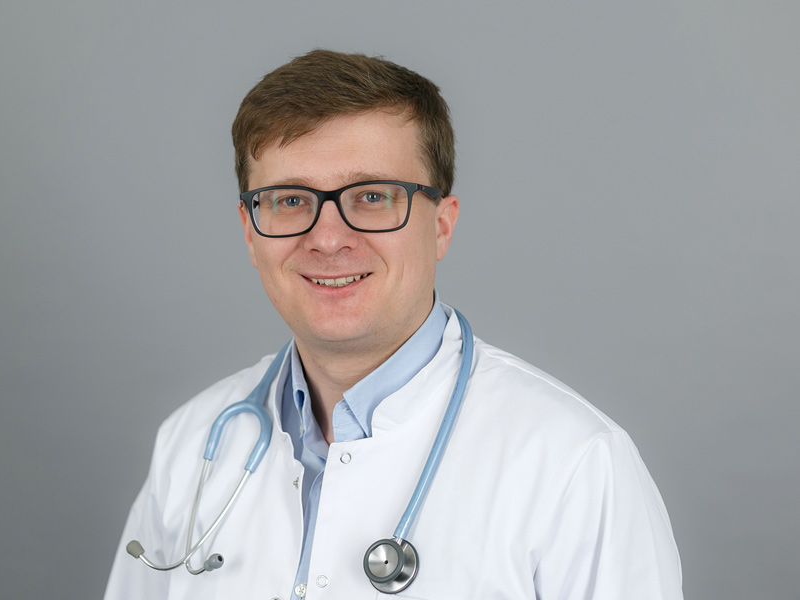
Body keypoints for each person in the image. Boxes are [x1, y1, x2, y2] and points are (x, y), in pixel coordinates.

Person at [104, 49, 683, 600]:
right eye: (288, 201)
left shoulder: (575, 464)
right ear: (250, 232)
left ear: (441, 225)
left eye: (373, 196)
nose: (327, 238)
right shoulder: (192, 443)